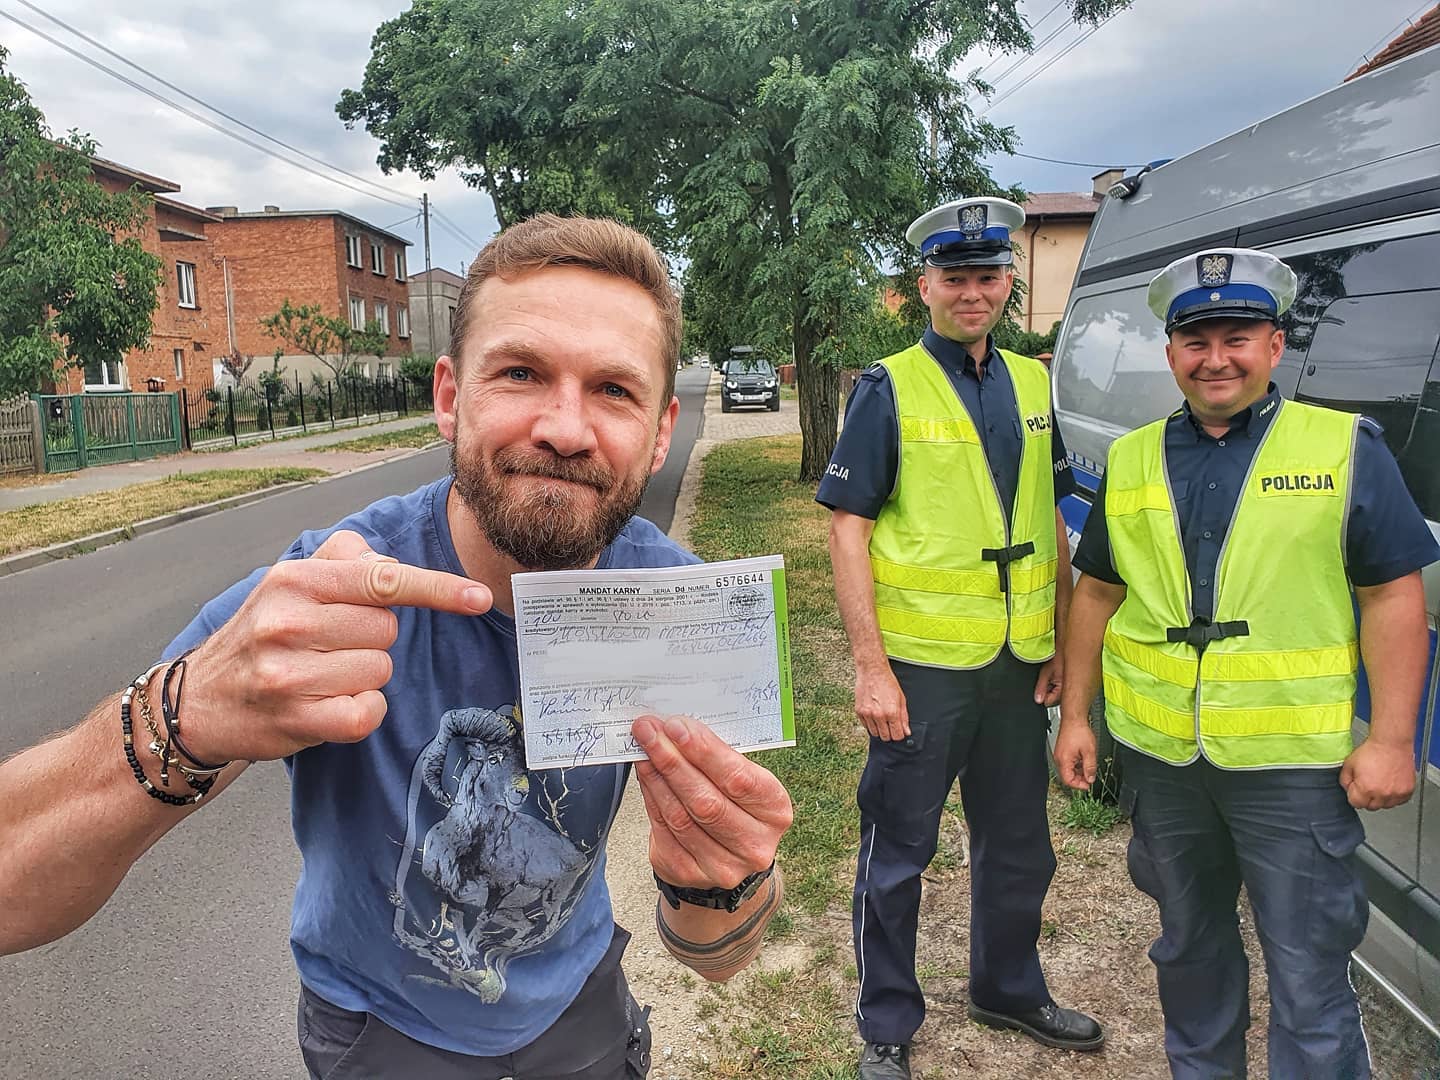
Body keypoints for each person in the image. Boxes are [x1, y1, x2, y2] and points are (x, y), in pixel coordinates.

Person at [0, 214, 793, 1079]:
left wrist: (715, 880)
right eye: (521, 372)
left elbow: (717, 956)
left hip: (582, 1010)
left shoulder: (676, 608)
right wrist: (189, 712)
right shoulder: (327, 587)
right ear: (450, 396)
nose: (565, 428)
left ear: (661, 429)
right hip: (380, 1032)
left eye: (613, 390)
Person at [1055, 247, 1437, 1079]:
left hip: (1290, 772)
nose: (1215, 357)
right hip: (1166, 765)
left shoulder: (1344, 450)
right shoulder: (1133, 458)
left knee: (1308, 974)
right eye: (1197, 340)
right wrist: (1078, 717)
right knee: (1189, 950)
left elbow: (1394, 598)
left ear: (1273, 344)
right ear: (1172, 355)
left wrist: (1393, 739)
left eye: (1237, 336)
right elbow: (1096, 595)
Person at [817, 196, 1104, 1079]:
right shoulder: (887, 385)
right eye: (956, 278)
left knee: (1020, 843)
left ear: (1009, 284)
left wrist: (1058, 638)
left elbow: (1049, 520)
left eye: (988, 277)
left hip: (1017, 666)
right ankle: (887, 1024)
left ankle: (1007, 988)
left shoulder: (1029, 382)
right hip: (923, 668)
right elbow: (847, 531)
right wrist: (871, 668)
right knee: (899, 851)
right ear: (925, 286)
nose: (972, 293)